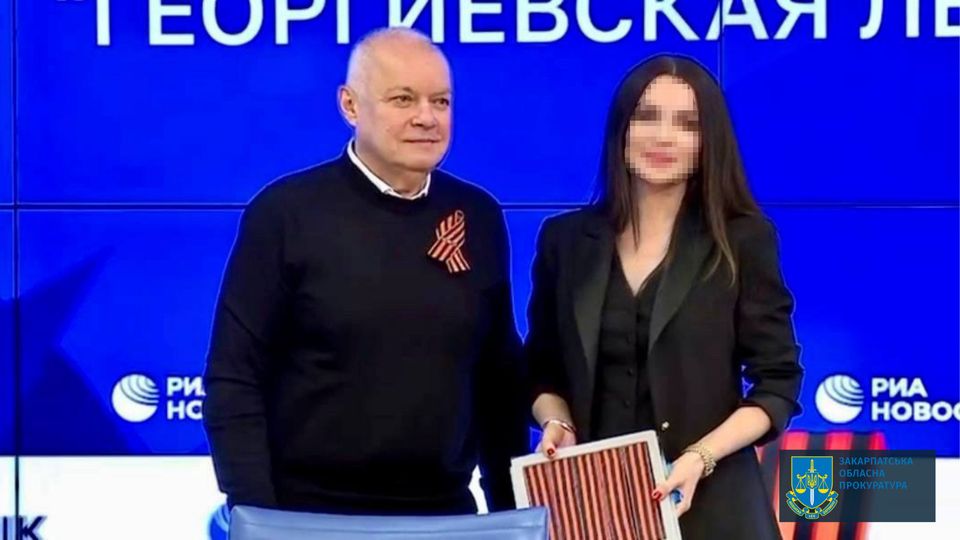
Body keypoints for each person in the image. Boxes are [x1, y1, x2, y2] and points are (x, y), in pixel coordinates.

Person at [202, 27, 527, 516]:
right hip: (307, 518)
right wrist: (259, 519)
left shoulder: (477, 215)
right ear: (350, 106)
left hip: (446, 516)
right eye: (403, 99)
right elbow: (234, 377)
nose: (426, 117)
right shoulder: (285, 214)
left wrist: (511, 515)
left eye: (440, 101)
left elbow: (497, 382)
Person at [526, 54, 804, 538]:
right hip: (595, 504)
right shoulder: (565, 241)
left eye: (686, 124)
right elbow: (540, 370)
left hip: (714, 504)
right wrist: (559, 425)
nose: (663, 137)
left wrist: (701, 457)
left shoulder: (743, 240)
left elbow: (777, 382)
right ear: (622, 129)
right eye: (648, 117)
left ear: (707, 142)